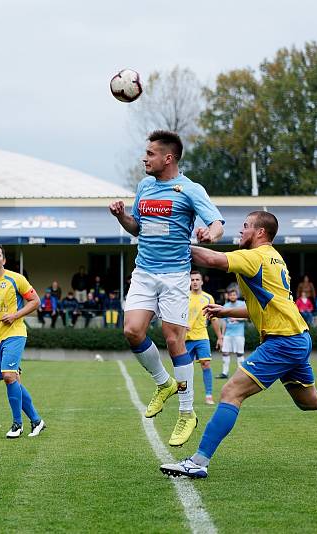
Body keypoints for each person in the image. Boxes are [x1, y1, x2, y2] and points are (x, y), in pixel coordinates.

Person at [160, 211, 317, 479]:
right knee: (310, 400)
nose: (241, 231)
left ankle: (198, 461)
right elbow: (266, 306)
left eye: (246, 226)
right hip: (296, 337)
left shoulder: (256, 256)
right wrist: (226, 311)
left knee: (231, 392)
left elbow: (211, 259)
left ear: (260, 232)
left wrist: (174, 241)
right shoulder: (274, 258)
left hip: (283, 340)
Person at [109, 129, 224, 448]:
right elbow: (138, 227)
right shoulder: (145, 186)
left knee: (175, 339)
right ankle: (164, 383)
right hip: (144, 272)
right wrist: (122, 217)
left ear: (168, 158)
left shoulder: (189, 189)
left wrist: (209, 235)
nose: (144, 158)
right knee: (132, 331)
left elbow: (216, 222)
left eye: (150, 154)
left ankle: (187, 413)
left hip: (175, 275)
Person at [0, 244, 45, 438]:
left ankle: (17, 424)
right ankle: (37, 421)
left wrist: (15, 315)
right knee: (12, 379)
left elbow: (36, 301)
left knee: (9, 375)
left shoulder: (16, 279)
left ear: (4, 260)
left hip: (15, 333)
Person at [183, 270, 223, 416]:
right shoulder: (183, 296)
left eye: (197, 279)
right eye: (192, 279)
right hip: (185, 338)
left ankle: (208, 395)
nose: (194, 282)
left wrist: (220, 337)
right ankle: (185, 397)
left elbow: (214, 319)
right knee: (184, 368)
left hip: (202, 337)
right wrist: (181, 325)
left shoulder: (208, 298)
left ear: (202, 281)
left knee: (206, 364)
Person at [218, 288, 246, 379]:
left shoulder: (242, 304)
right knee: (225, 352)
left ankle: (240, 373)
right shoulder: (226, 305)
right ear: (228, 296)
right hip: (228, 334)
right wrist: (222, 334)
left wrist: (237, 318)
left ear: (237, 296)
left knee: (240, 353)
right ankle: (224, 373)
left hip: (239, 334)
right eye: (231, 295)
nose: (232, 296)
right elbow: (224, 322)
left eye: (234, 295)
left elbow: (247, 318)